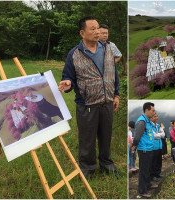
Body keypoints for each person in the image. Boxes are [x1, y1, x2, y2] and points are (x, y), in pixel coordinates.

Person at [58, 16, 120, 179]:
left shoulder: (107, 49)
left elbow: (113, 73)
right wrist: (68, 83)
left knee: (106, 137)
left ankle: (107, 165)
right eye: (92, 28)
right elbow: (68, 76)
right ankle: (87, 169)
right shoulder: (75, 54)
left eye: (98, 28)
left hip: (107, 102)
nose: (97, 31)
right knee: (87, 139)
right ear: (82, 33)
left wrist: (116, 94)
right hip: (87, 105)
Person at [131, 102, 157, 198]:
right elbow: (137, 137)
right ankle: (142, 191)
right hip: (144, 150)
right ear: (147, 110)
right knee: (144, 170)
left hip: (149, 149)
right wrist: (134, 147)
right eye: (153, 111)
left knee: (148, 169)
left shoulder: (148, 121)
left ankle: (148, 184)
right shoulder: (141, 121)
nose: (154, 113)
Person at [150, 114, 165, 181]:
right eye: (154, 116)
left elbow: (163, 135)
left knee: (159, 161)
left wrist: (159, 134)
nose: (156, 118)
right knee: (153, 162)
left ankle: (158, 173)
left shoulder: (158, 126)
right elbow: (154, 136)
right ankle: (152, 176)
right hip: (153, 147)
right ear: (151, 118)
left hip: (159, 146)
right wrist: (160, 134)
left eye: (157, 116)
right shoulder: (150, 125)